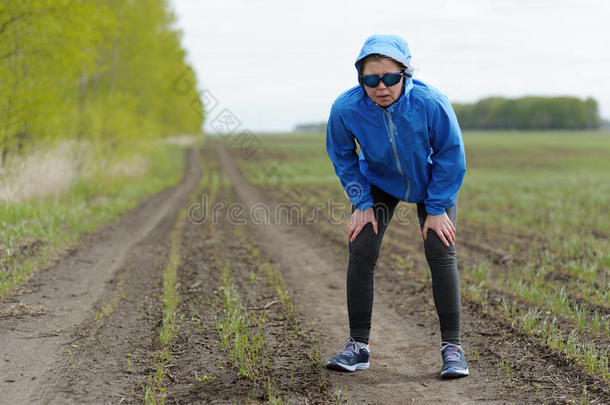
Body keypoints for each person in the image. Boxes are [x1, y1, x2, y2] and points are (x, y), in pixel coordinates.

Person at [325, 34, 468, 378]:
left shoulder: (431, 103)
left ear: (406, 74)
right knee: (362, 247)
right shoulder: (346, 108)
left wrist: (436, 209)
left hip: (432, 182)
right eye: (371, 79)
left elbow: (451, 155)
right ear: (360, 79)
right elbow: (343, 156)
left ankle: (453, 349)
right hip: (378, 183)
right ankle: (357, 347)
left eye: (390, 77)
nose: (381, 87)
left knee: (440, 249)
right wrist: (361, 201)